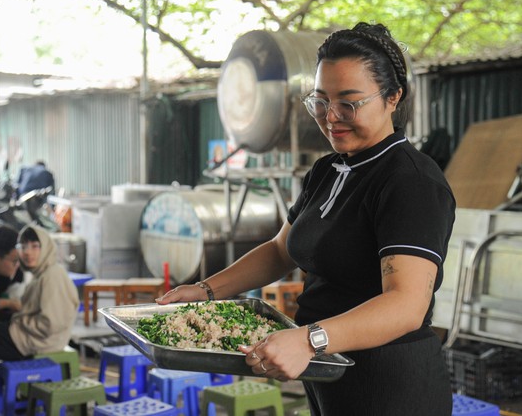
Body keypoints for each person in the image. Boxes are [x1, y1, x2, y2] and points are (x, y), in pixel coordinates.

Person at [156, 22, 456, 416]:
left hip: (388, 381)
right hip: (327, 368)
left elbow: (405, 305)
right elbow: (282, 250)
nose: (331, 117)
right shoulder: (329, 169)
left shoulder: (410, 182)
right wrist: (207, 290)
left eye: (349, 103)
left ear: (392, 97)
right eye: (320, 100)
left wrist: (308, 340)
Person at [0, 224, 79, 360]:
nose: (27, 252)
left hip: (38, 343)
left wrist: (20, 321)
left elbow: (51, 324)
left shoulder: (52, 276)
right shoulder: (41, 273)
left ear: (46, 248)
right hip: (34, 337)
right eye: (23, 246)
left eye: (35, 246)